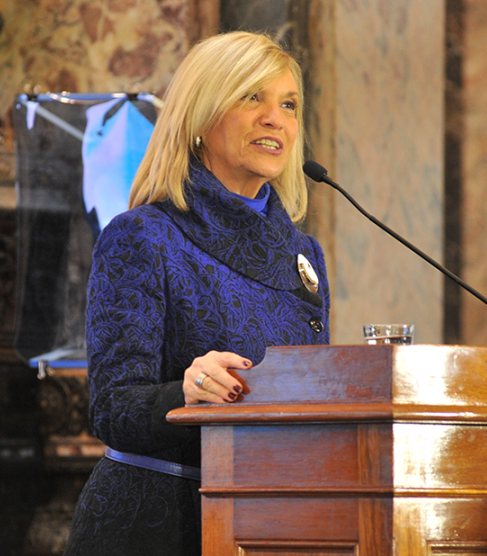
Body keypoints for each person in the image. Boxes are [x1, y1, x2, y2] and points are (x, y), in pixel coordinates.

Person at [64, 32, 330, 556]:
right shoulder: (143, 235)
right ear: (202, 115)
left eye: (288, 104)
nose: (276, 118)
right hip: (156, 522)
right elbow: (113, 408)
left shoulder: (305, 257)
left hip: (266, 525)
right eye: (252, 97)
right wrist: (185, 393)